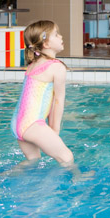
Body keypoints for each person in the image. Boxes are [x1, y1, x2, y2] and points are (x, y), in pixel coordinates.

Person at [10, 21, 89, 178]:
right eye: (56, 34)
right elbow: (58, 101)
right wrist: (55, 129)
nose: (61, 37)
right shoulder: (56, 67)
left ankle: (7, 175)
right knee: (66, 156)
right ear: (46, 44)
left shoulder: (34, 64)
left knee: (33, 160)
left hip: (17, 122)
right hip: (32, 124)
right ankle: (78, 178)